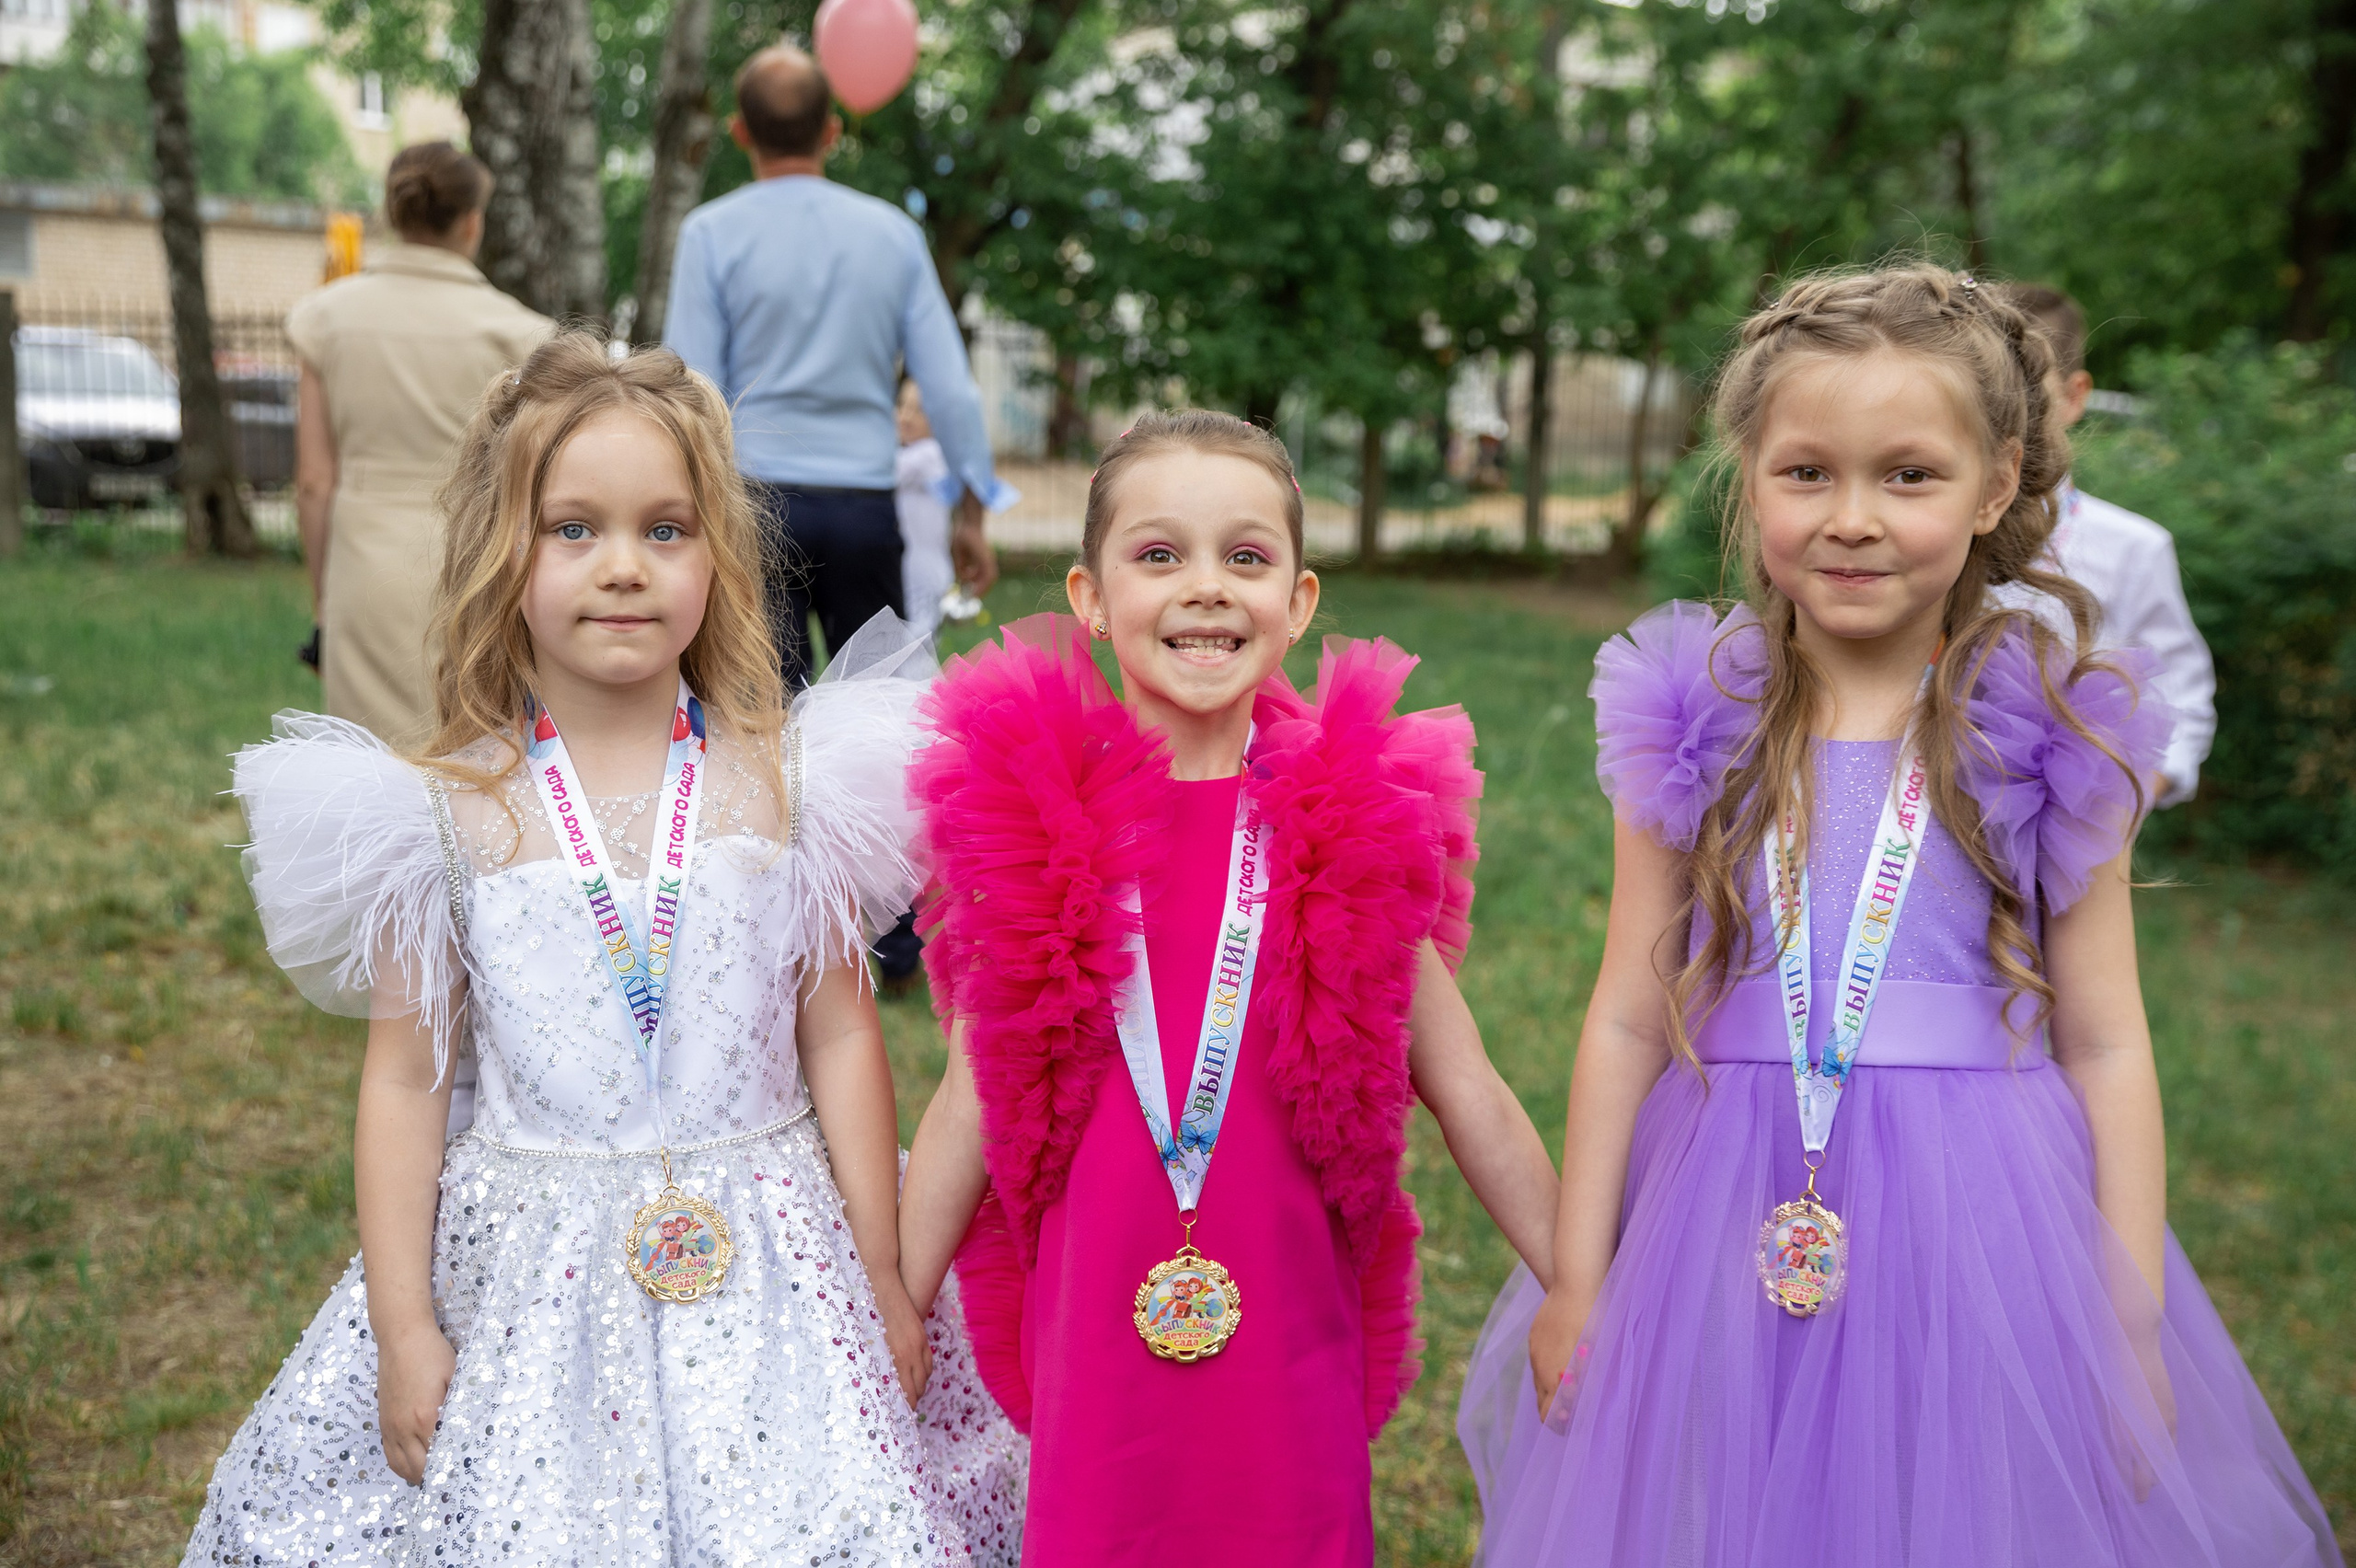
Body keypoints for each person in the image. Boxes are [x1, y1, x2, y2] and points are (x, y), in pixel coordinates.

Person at [1455, 266, 2341, 1567]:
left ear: (1996, 487)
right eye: (1806, 472)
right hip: (1724, 1186)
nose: (1853, 518)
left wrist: (2131, 1322)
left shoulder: (2052, 729)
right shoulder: (1691, 716)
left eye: (1909, 476)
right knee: (1735, 1499)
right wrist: (1581, 1270)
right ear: (1748, 479)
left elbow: (2106, 1040)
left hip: (1980, 1215)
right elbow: (1629, 1014)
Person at [182, 337, 1024, 1567]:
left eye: (665, 530)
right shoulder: (444, 814)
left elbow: (840, 1032)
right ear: (500, 551)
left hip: (779, 1261)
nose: (622, 567)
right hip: (533, 1273)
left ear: (716, 555)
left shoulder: (785, 788)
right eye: (572, 529)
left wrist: (885, 1275)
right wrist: (408, 1327)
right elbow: (405, 1082)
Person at [895, 412, 1561, 1567]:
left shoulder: (1340, 833)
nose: (1205, 589)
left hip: (1285, 1343)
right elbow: (970, 1096)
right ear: (1090, 596)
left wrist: (1580, 1279)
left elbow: (1468, 1089)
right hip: (1099, 1339)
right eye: (1159, 557)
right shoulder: (1037, 832)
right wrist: (891, 1311)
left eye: (1243, 559)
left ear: (1297, 604)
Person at [664, 43, 1007, 692]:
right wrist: (973, 513)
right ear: (831, 131)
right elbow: (950, 391)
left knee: (757, 716)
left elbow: (689, 392)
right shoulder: (893, 233)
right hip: (864, 508)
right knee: (876, 713)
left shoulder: (709, 234)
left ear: (740, 133)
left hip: (753, 507)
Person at [287, 141, 553, 748]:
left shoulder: (326, 318)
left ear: (393, 212)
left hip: (365, 562)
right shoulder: (518, 331)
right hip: (479, 561)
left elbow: (312, 481)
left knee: (373, 766)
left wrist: (324, 603)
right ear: (471, 221)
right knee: (478, 755)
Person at [2003, 284, 2215, 805]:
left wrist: (2133, 800)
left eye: (2030, 398)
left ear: (2075, 396)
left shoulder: (2135, 547)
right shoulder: (1931, 535)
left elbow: (2181, 693)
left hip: (2074, 833)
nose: (2006, 422)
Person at [895, 379, 958, 640]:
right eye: (901, 405)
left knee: (915, 651)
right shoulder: (915, 454)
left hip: (921, 572)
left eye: (919, 410)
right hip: (913, 568)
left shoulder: (930, 455)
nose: (906, 417)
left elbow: (884, 471)